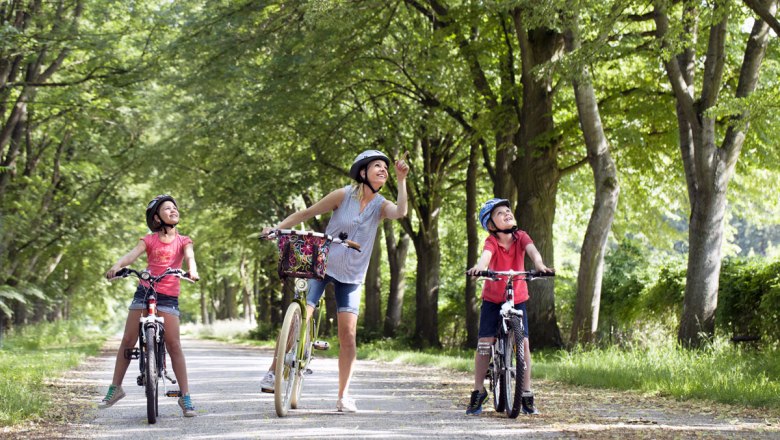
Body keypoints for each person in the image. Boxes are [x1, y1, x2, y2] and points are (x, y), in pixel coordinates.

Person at [259, 149, 409, 413]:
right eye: (378, 166)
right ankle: (273, 371)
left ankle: (343, 395)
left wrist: (402, 180)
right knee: (300, 314)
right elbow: (306, 214)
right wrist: (277, 228)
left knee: (348, 336)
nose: (383, 170)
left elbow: (401, 212)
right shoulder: (343, 195)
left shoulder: (381, 205)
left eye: (386, 168)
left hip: (352, 275)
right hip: (322, 264)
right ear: (363, 172)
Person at [99, 194, 200, 417]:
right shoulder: (149, 240)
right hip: (145, 292)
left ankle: (185, 397)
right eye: (167, 209)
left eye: (175, 208)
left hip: (168, 296)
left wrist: (192, 271)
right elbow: (131, 256)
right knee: (128, 340)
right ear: (156, 217)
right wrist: (117, 266)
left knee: (174, 345)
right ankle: (115, 388)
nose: (173, 210)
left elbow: (190, 257)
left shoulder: (184, 241)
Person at [465, 198, 553, 416]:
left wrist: (540, 266)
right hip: (493, 299)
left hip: (518, 297)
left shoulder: (521, 236)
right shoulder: (491, 241)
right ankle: (478, 390)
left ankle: (526, 393)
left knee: (524, 343)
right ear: (491, 225)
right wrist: (479, 268)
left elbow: (533, 252)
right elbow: (485, 258)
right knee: (485, 343)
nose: (506, 213)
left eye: (508, 210)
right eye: (499, 213)